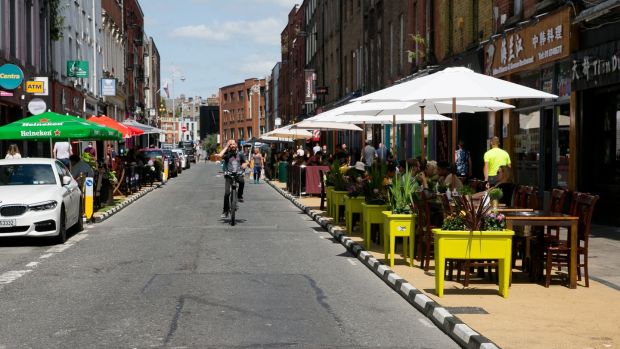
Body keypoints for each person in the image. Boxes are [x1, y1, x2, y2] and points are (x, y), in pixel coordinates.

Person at [218, 140, 248, 218]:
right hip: (229, 175)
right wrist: (226, 146)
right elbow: (220, 155)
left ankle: (239, 196)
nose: (232, 145)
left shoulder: (240, 154)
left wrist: (244, 165)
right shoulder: (227, 154)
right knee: (227, 193)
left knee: (242, 181)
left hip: (238, 174)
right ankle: (225, 211)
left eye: (233, 144)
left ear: (236, 145)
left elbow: (245, 162)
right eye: (230, 144)